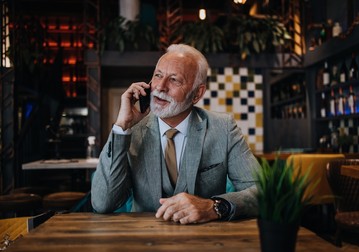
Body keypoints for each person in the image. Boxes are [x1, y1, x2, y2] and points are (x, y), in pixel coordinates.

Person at [91, 44, 261, 224]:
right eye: (158, 75)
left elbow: (263, 191)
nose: (161, 87)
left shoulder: (223, 128)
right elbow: (102, 203)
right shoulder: (131, 130)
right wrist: (122, 127)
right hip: (142, 240)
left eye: (174, 80)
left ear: (197, 94)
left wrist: (213, 207)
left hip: (205, 241)